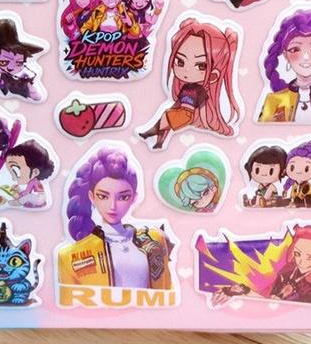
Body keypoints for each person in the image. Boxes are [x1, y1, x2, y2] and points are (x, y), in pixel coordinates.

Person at [57, 147, 173, 289]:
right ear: (92, 197)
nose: (112, 206)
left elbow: (167, 292)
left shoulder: (154, 240)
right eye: (103, 196)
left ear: (134, 197)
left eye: (123, 197)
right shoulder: (71, 256)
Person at [140, 17, 239, 149]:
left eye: (201, 65)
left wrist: (206, 123)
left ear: (213, 75)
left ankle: (152, 131)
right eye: (180, 61)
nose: (187, 70)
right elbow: (178, 103)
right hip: (181, 113)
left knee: (166, 118)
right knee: (166, 117)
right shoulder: (186, 87)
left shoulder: (199, 91)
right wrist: (172, 109)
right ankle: (159, 142)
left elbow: (203, 108)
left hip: (187, 115)